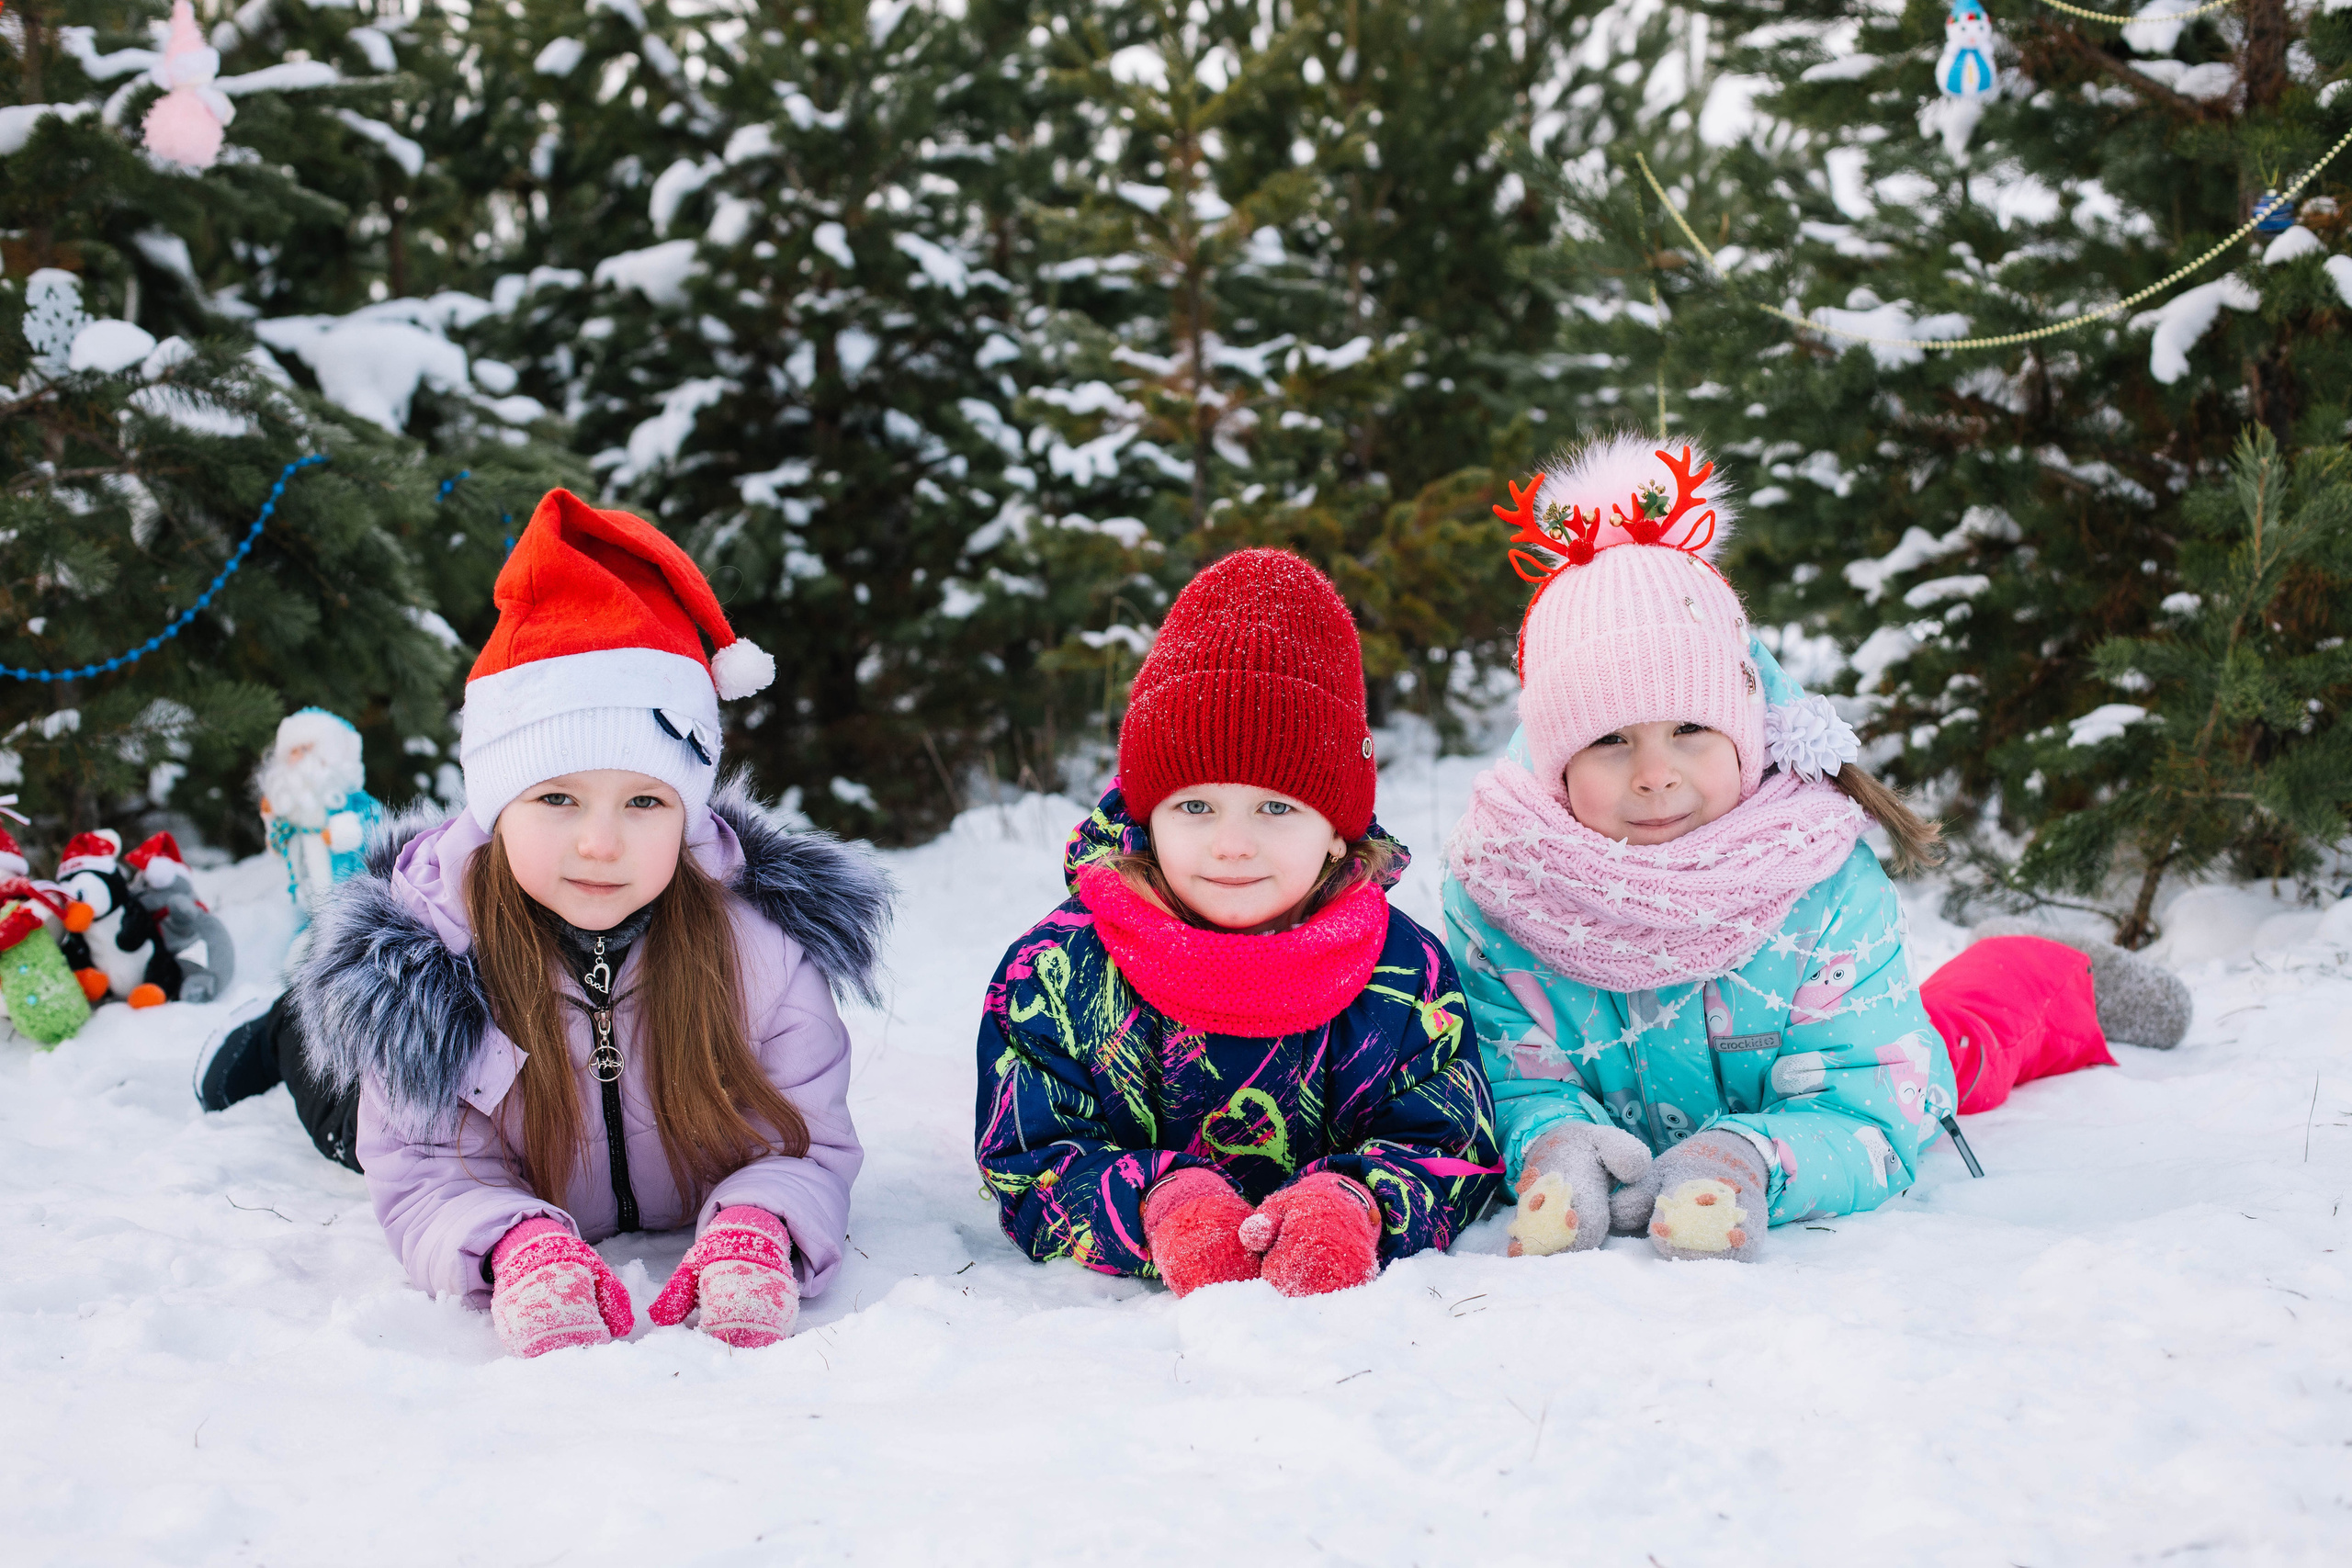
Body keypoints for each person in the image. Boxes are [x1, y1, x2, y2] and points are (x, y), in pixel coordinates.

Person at [1443, 435, 2175, 1263]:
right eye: (1610, 738)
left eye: (1691, 729)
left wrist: (1747, 1157)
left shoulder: (1818, 875)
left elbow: (1873, 1105)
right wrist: (1555, 1145)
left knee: (1962, 1041)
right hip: (1634, 1106)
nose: (1655, 774)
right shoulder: (1504, 887)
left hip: (1843, 1063)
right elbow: (1510, 1076)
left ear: (1748, 729)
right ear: (1554, 760)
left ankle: (2056, 973)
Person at [196, 489, 890, 1355]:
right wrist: (514, 1242)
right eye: (557, 798)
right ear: (495, 809)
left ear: (691, 812)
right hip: (373, 1082)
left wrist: (760, 1222)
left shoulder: (764, 950)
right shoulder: (432, 968)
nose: (600, 842)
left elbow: (807, 1141)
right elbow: (424, 1176)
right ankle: (280, 1031)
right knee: (332, 1073)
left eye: (644, 800)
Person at [976, 549, 1501, 1298]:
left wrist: (1358, 1203)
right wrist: (1163, 1204)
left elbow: (1453, 1141)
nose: (1231, 842)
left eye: (1276, 807)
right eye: (1195, 806)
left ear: (1336, 830)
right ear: (1148, 817)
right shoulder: (1059, 971)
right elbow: (1029, 1154)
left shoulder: (1404, 973)